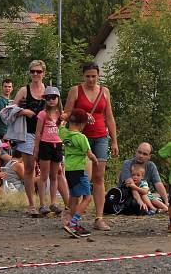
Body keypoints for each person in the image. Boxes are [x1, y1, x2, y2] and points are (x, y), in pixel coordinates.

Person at [63, 62, 119, 231]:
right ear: (83, 76)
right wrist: (83, 114)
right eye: (88, 76)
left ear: (98, 75)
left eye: (94, 76)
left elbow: (109, 117)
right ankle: (73, 216)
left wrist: (115, 140)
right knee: (83, 177)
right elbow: (65, 114)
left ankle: (99, 217)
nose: (91, 79)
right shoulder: (75, 91)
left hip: (101, 136)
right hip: (81, 137)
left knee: (99, 177)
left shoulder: (105, 91)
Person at [12, 60, 49, 217]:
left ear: (44, 73)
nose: (35, 74)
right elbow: (10, 110)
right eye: (33, 71)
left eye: (38, 72)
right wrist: (23, 111)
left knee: (45, 169)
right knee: (29, 169)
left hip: (45, 134)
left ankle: (43, 203)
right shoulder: (24, 90)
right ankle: (31, 204)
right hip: (27, 133)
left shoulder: (48, 91)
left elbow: (56, 110)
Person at [60, 108, 98, 238]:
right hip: (79, 170)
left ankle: (70, 222)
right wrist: (95, 161)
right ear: (82, 124)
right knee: (87, 198)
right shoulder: (82, 138)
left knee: (75, 197)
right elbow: (90, 154)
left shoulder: (63, 134)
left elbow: (61, 125)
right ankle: (73, 222)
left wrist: (64, 118)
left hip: (69, 171)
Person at [33, 87, 66, 215]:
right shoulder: (43, 114)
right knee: (44, 176)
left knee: (54, 175)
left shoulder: (61, 115)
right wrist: (36, 148)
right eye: (48, 98)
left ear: (58, 99)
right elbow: (38, 133)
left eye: (54, 97)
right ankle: (42, 204)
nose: (51, 100)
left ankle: (53, 202)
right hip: (45, 145)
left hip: (57, 145)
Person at [118, 143, 169, 208]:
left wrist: (166, 201)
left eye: (145, 154)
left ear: (149, 156)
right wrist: (140, 201)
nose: (141, 156)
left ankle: (156, 206)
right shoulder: (127, 164)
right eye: (139, 152)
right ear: (136, 152)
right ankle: (151, 208)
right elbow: (132, 186)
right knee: (136, 204)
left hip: (146, 195)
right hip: (129, 195)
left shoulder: (151, 165)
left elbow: (158, 184)